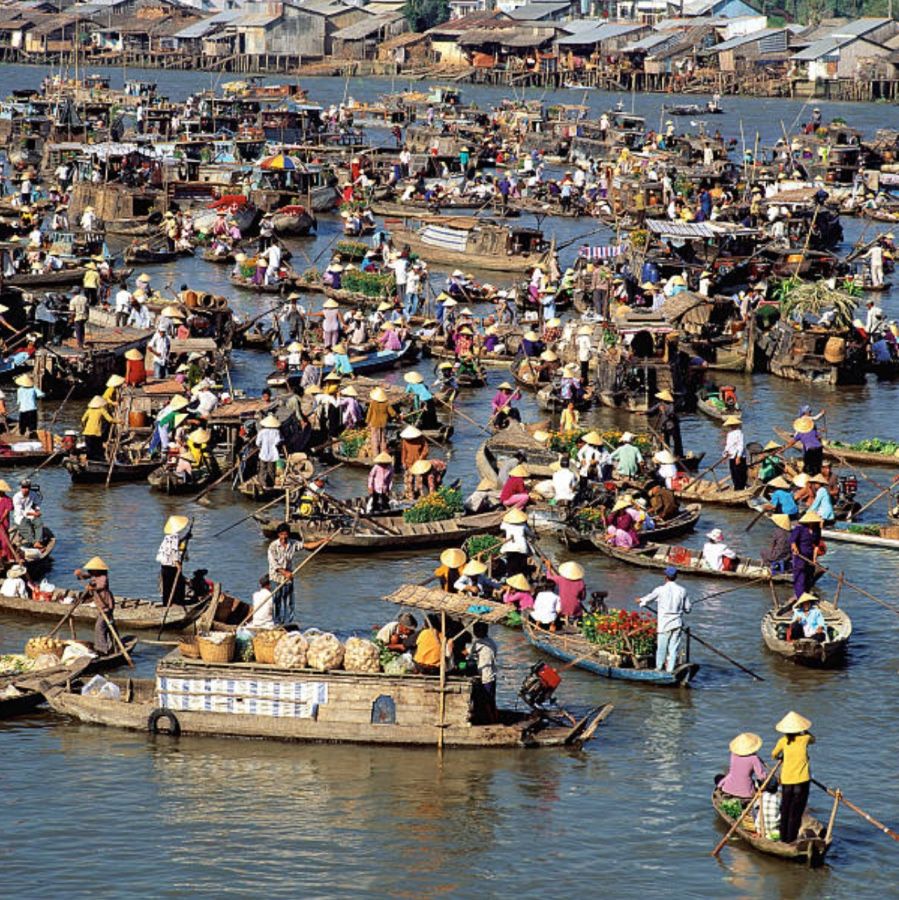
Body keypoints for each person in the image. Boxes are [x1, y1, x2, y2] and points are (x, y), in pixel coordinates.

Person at [772, 711, 815, 844]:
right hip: (802, 781)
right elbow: (813, 739)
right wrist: (804, 730)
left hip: (787, 781)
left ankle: (783, 839)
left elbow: (773, 754)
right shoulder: (805, 739)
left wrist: (782, 757)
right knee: (796, 813)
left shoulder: (783, 741)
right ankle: (791, 840)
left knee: (785, 810)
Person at [637, 566, 691, 673]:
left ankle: (659, 668)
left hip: (664, 624)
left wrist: (640, 600)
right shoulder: (682, 591)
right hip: (677, 623)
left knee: (662, 647)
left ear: (665, 577)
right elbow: (688, 609)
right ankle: (670, 670)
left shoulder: (660, 590)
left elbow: (648, 599)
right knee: (673, 648)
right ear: (676, 577)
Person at [74, 556, 115, 655]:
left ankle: (102, 650)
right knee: (107, 627)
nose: (90, 571)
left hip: (106, 606)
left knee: (100, 627)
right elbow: (85, 576)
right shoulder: (94, 576)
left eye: (93, 569)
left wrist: (92, 587)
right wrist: (79, 574)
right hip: (101, 606)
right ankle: (111, 646)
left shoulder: (103, 577)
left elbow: (101, 585)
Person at [717, 732, 768, 799]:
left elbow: (733, 771)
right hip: (746, 792)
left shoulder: (733, 755)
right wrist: (767, 776)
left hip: (727, 788)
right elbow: (761, 776)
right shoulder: (754, 758)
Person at [267, 523, 299, 625]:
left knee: (289, 601)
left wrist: (322, 542)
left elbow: (306, 545)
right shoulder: (273, 546)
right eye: (282, 534)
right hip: (276, 578)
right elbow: (274, 564)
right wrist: (285, 573)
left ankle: (287, 622)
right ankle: (276, 621)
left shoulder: (292, 544)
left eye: (286, 534)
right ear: (278, 534)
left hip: (288, 579)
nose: (284, 537)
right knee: (276, 601)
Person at [467, 621, 498, 723]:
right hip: (492, 675)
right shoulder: (491, 641)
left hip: (485, 676)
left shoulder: (479, 643)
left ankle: (492, 721)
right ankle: (493, 718)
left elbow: (469, 654)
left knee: (486, 701)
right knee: (491, 701)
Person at [156, 514, 189, 608]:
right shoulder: (174, 537)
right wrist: (177, 563)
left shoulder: (168, 537)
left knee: (167, 585)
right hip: (171, 565)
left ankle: (167, 603)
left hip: (164, 565)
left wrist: (185, 538)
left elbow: (174, 546)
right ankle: (177, 602)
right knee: (179, 584)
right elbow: (174, 551)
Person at [790, 510, 822, 599]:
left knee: (809, 575)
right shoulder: (799, 528)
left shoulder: (817, 530)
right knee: (800, 575)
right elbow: (793, 541)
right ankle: (800, 596)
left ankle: (806, 593)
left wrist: (814, 559)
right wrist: (795, 548)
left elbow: (816, 545)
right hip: (800, 555)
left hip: (810, 555)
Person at [649, 390, 683, 459]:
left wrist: (663, 411)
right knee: (665, 442)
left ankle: (678, 455)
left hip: (672, 426)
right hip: (664, 426)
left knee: (677, 442)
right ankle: (666, 455)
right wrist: (643, 412)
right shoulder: (660, 404)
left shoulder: (671, 405)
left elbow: (671, 415)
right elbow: (652, 410)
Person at [80, 395, 115, 461]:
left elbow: (82, 420)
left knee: (89, 449)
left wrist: (84, 427)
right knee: (98, 448)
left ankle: (89, 460)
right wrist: (119, 421)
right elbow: (110, 420)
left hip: (87, 432)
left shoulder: (89, 410)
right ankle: (98, 460)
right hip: (96, 433)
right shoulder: (101, 410)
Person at [12, 479, 43, 548]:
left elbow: (38, 503)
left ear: (29, 487)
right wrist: (33, 514)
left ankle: (38, 541)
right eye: (24, 487)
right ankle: (34, 542)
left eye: (27, 487)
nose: (25, 489)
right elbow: (20, 511)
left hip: (31, 514)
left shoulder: (33, 494)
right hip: (20, 517)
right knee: (25, 527)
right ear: (21, 488)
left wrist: (37, 510)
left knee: (39, 522)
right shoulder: (16, 497)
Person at [365, 386, 393, 458]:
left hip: (374, 423)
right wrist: (398, 417)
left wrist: (367, 422)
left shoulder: (373, 403)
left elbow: (369, 413)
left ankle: (376, 456)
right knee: (382, 439)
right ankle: (383, 455)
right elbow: (392, 413)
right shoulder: (386, 403)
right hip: (383, 423)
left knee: (374, 439)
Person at [256, 414, 282, 488]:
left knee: (262, 469)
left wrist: (261, 446)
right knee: (271, 469)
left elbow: (257, 443)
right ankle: (271, 484)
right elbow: (278, 442)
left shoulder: (261, 432)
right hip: (273, 453)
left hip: (263, 452)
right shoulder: (277, 432)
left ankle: (263, 484)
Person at [723, 416, 747, 490]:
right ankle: (736, 488)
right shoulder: (729, 434)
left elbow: (740, 445)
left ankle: (740, 489)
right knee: (733, 473)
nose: (732, 426)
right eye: (731, 425)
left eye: (733, 425)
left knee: (739, 474)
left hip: (738, 456)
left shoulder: (739, 433)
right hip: (731, 456)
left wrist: (738, 457)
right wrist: (725, 454)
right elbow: (728, 445)